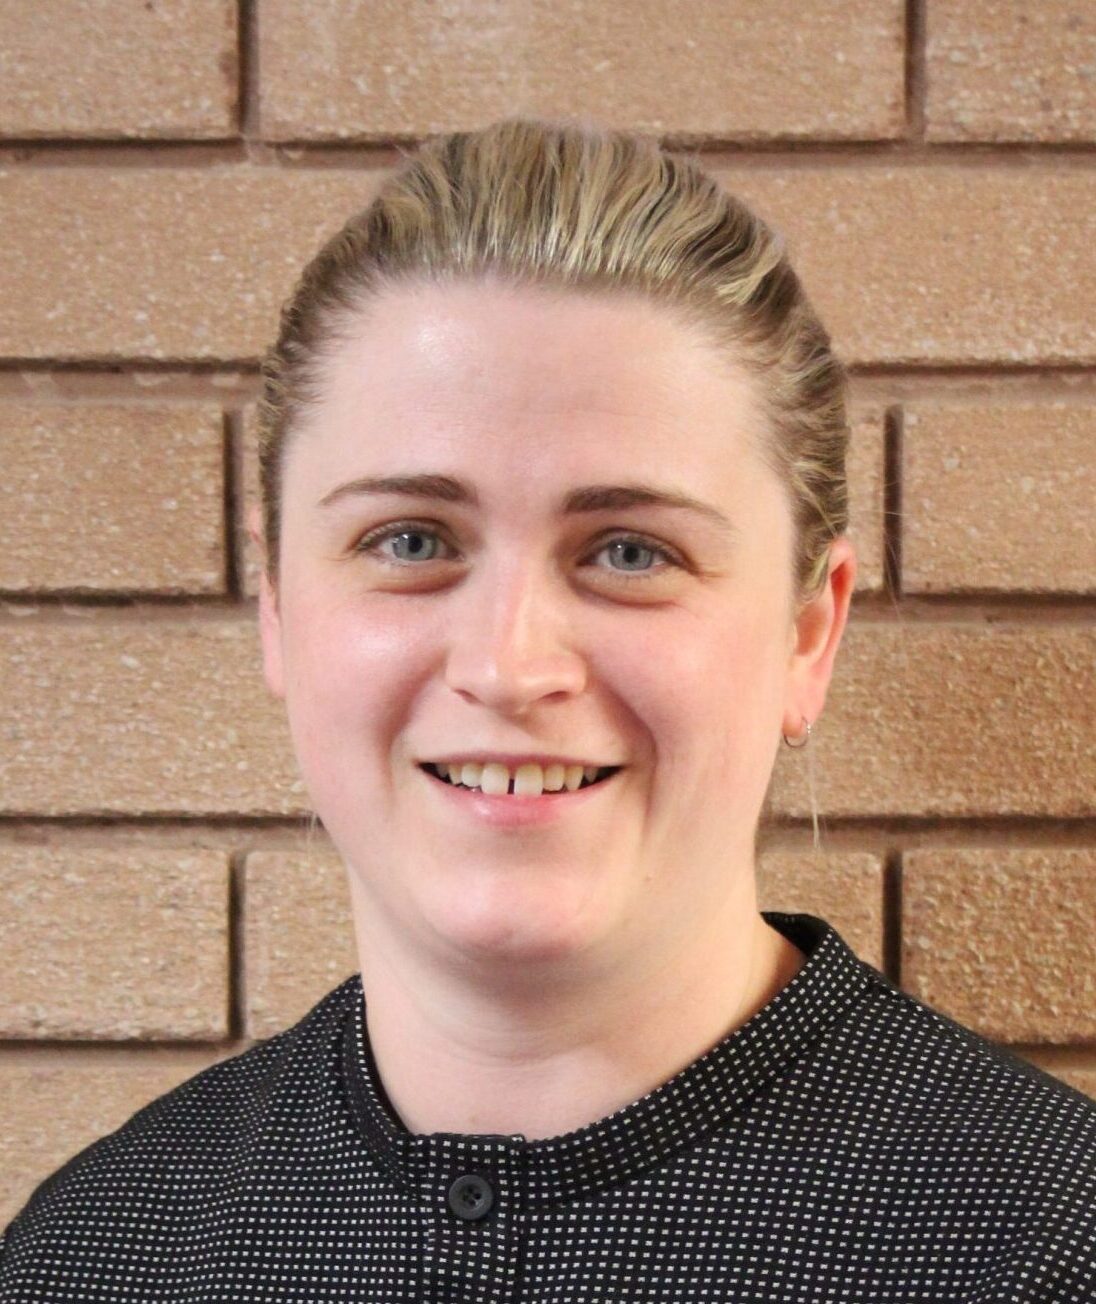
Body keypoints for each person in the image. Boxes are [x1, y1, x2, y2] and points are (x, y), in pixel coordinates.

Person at [2, 115, 1093, 1301]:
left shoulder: (1052, 1241)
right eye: (409, 539)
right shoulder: (96, 1254)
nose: (509, 666)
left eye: (629, 549)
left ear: (805, 630)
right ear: (277, 607)